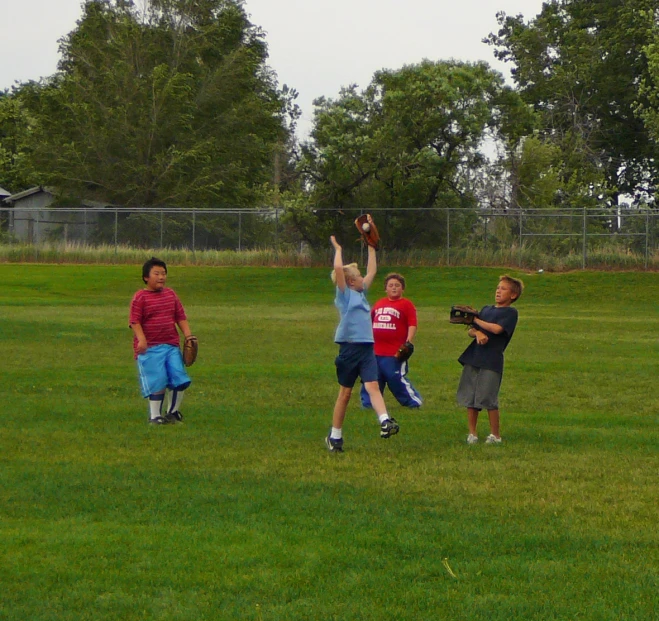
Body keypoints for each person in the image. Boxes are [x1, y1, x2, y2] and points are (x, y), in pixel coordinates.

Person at [326, 227, 400, 452]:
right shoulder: (345, 295)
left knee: (372, 385)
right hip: (349, 350)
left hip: (367, 348)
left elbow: (373, 270)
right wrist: (338, 249)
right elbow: (339, 268)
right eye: (358, 277)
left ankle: (385, 420)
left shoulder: (360, 293)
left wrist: (371, 246)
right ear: (349, 282)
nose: (362, 279)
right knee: (345, 394)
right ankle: (335, 436)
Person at [456, 274, 524, 444]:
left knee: (488, 398)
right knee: (471, 398)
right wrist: (477, 331)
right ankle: (473, 434)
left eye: (503, 289)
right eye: (498, 288)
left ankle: (496, 435)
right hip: (474, 357)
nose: (498, 291)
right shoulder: (486, 309)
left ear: (513, 295)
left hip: (492, 360)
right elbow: (471, 330)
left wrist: (477, 320)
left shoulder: (510, 313)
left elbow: (496, 329)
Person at [129, 257, 194, 425]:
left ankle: (172, 413)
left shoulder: (170, 294)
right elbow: (135, 321)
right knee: (158, 379)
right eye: (156, 273)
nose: (161, 277)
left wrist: (188, 336)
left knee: (179, 377)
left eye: (163, 273)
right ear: (146, 277)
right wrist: (141, 340)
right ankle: (155, 416)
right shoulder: (140, 297)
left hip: (171, 345)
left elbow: (180, 317)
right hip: (150, 348)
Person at [360, 273, 422, 409]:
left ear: (402, 289)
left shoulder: (406, 304)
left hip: (394, 351)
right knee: (373, 378)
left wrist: (408, 341)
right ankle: (369, 403)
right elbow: (369, 322)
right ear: (385, 289)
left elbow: (412, 324)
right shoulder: (380, 303)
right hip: (375, 351)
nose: (394, 288)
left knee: (395, 378)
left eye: (397, 285)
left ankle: (412, 401)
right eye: (391, 285)